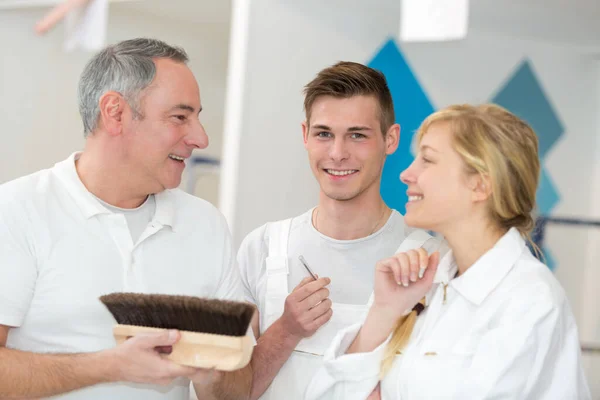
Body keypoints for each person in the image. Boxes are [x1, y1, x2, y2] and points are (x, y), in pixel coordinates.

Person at [0, 38, 251, 400]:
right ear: (115, 113)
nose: (200, 137)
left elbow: (237, 391)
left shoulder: (206, 224)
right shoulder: (15, 211)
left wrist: (212, 372)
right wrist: (110, 365)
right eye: (180, 117)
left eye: (197, 117)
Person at [305, 104, 592, 399]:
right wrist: (384, 312)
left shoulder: (529, 300)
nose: (406, 173)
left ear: (480, 186)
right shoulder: (421, 283)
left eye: (427, 160)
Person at [237, 61, 433, 400]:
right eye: (324, 134)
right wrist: (286, 330)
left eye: (357, 135)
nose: (338, 153)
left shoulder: (429, 260)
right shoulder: (262, 248)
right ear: (305, 136)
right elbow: (226, 395)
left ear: (391, 139)